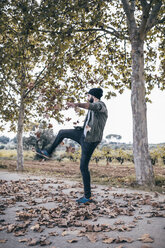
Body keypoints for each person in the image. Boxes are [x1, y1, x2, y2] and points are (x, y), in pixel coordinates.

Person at [36, 88, 108, 204]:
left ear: (93, 96)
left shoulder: (101, 105)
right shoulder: (91, 110)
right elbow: (89, 122)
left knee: (83, 167)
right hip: (82, 135)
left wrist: (76, 104)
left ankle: (87, 197)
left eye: (88, 95)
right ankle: (48, 152)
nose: (87, 97)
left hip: (90, 141)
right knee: (62, 132)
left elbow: (94, 107)